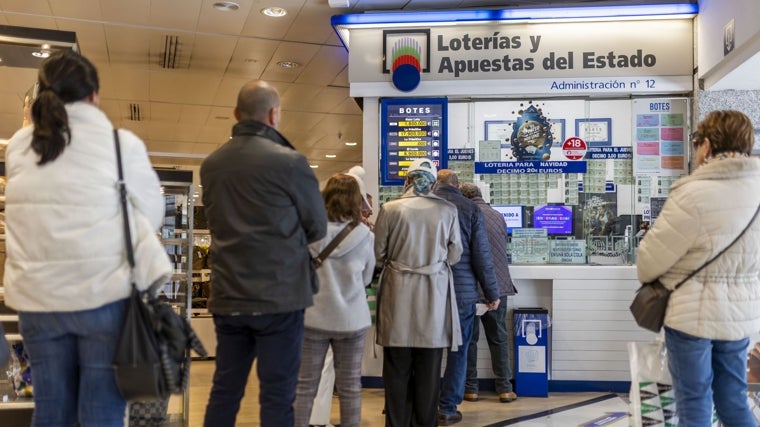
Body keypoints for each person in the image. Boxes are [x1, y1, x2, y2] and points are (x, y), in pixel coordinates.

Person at [4, 50, 168, 426]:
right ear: (94, 95)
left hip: (36, 300)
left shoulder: (18, 146)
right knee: (101, 414)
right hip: (103, 297)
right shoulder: (119, 144)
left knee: (51, 411)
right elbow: (153, 213)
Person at [200, 80, 327, 427]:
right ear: (274, 115)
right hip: (280, 296)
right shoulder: (290, 163)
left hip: (229, 295)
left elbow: (214, 223)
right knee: (277, 395)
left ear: (236, 114)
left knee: (225, 390)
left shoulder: (212, 165)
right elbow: (317, 226)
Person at [637, 109, 760, 426]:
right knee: (734, 402)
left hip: (691, 319)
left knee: (694, 405)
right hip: (738, 319)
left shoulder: (691, 193)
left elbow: (648, 264)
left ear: (705, 146)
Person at [374, 158, 463, 427]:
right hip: (433, 295)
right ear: (433, 182)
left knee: (397, 368)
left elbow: (378, 254)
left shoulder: (389, 209)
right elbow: (455, 253)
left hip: (397, 295)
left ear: (407, 180)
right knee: (429, 368)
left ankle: (397, 423)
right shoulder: (447, 210)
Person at [294, 173, 376, 427]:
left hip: (314, 317)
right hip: (351, 320)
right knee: (351, 386)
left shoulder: (308, 231)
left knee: (306, 385)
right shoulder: (365, 236)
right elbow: (366, 278)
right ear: (356, 201)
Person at [433, 170, 501, 426]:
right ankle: (447, 408)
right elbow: (482, 256)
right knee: (458, 351)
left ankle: (425, 403)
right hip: (462, 293)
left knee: (428, 350)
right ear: (458, 186)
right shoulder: (470, 209)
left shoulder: (426, 203)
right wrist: (492, 293)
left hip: (429, 289)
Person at [459, 182, 518, 404]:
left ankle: (471, 389)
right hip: (498, 286)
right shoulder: (498, 216)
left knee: (470, 340)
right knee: (498, 338)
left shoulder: (465, 216)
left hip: (472, 289)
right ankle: (504, 388)